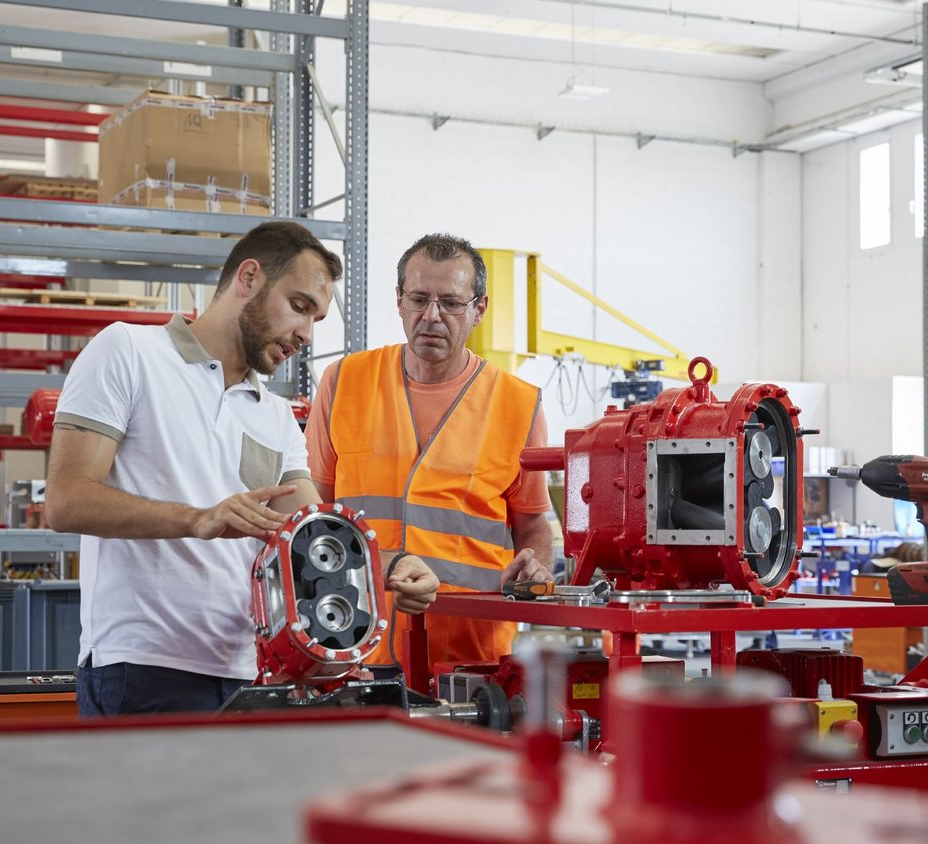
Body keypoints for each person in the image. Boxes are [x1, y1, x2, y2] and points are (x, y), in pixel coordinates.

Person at [45, 221, 439, 716]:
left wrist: (395, 566)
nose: (306, 334)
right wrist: (198, 519)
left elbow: (317, 539)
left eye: (316, 318)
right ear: (248, 279)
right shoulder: (129, 352)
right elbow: (65, 501)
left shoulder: (273, 415)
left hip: (246, 676)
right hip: (141, 667)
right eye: (299, 307)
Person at [307, 233, 554, 668]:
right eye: (419, 298)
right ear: (399, 300)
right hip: (352, 639)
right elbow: (313, 510)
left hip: (469, 653)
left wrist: (538, 567)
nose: (432, 316)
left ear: (479, 308)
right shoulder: (343, 382)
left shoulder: (519, 405)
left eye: (451, 303)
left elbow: (532, 524)